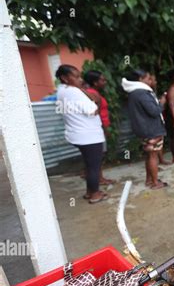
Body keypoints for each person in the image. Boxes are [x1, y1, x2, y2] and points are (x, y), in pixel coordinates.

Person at [55, 64, 109, 204]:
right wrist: (94, 101)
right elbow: (93, 110)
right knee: (94, 167)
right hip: (88, 135)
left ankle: (89, 192)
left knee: (90, 164)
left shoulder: (62, 91)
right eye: (76, 77)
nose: (80, 80)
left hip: (77, 134)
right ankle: (95, 194)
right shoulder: (74, 92)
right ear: (64, 78)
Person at [122, 69, 168, 190]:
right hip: (151, 130)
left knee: (149, 155)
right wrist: (162, 103)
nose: (150, 80)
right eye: (148, 78)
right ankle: (155, 183)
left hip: (144, 129)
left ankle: (149, 180)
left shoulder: (134, 92)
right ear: (140, 80)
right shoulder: (141, 93)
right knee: (153, 155)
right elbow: (154, 111)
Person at [83, 70, 116, 185]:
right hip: (98, 129)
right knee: (98, 156)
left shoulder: (91, 92)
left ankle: (99, 178)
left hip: (98, 129)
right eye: (102, 80)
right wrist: (105, 130)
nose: (105, 81)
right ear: (95, 82)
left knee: (97, 156)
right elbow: (97, 115)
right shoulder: (93, 94)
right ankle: (99, 179)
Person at [150, 74, 171, 166]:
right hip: (152, 122)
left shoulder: (152, 92)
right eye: (154, 80)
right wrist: (161, 103)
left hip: (158, 119)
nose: (156, 82)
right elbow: (153, 109)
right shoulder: (146, 94)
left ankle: (160, 160)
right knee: (152, 147)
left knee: (160, 140)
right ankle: (154, 165)